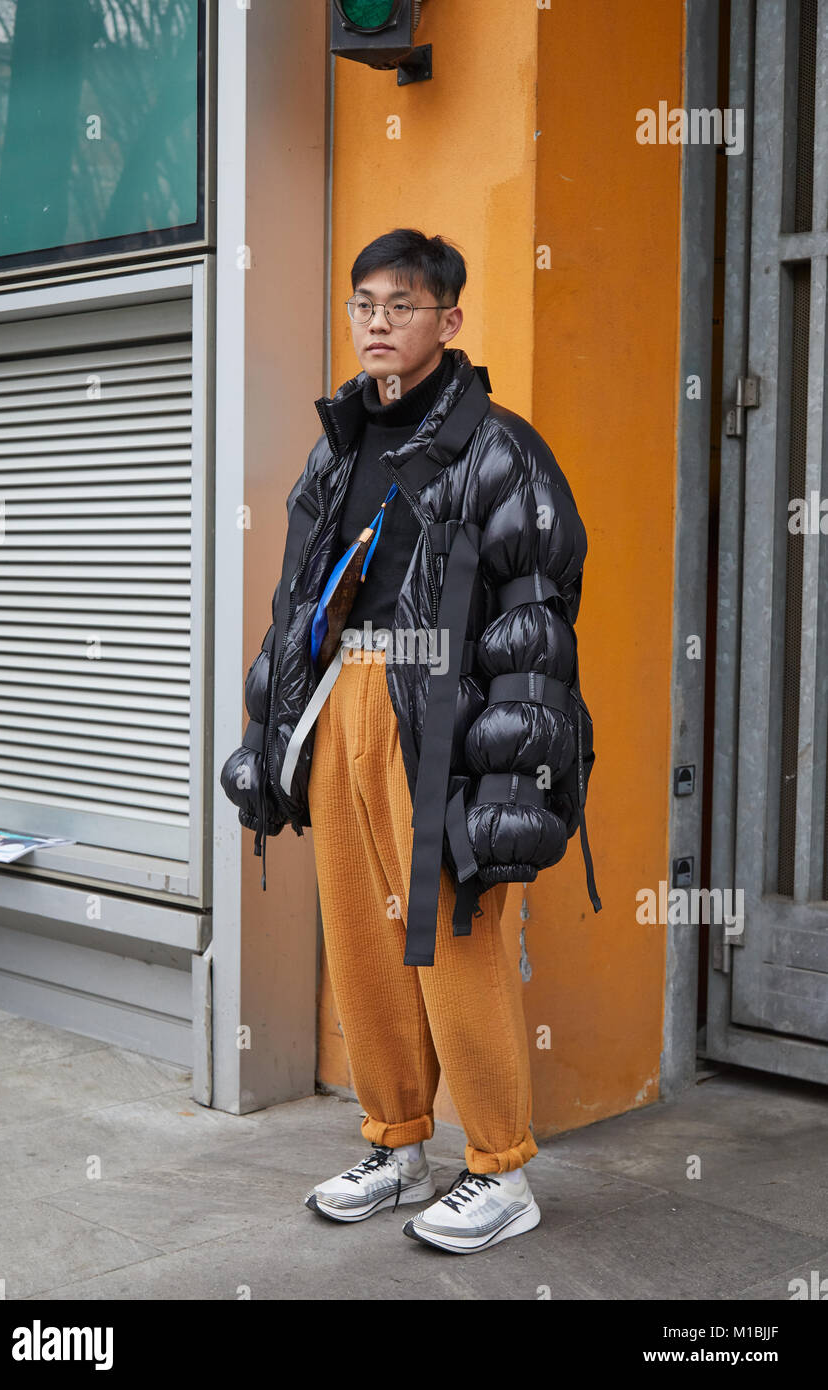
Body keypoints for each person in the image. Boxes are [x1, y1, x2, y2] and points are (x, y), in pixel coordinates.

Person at [221, 228, 599, 1254]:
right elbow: (296, 598)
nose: (378, 321)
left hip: (442, 711)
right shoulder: (336, 444)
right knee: (361, 936)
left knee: (452, 936)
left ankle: (500, 1168)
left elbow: (530, 621)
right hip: (344, 700)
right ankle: (395, 1142)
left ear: (448, 321)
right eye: (363, 304)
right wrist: (265, 732)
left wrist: (513, 769)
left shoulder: (497, 446)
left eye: (401, 304)